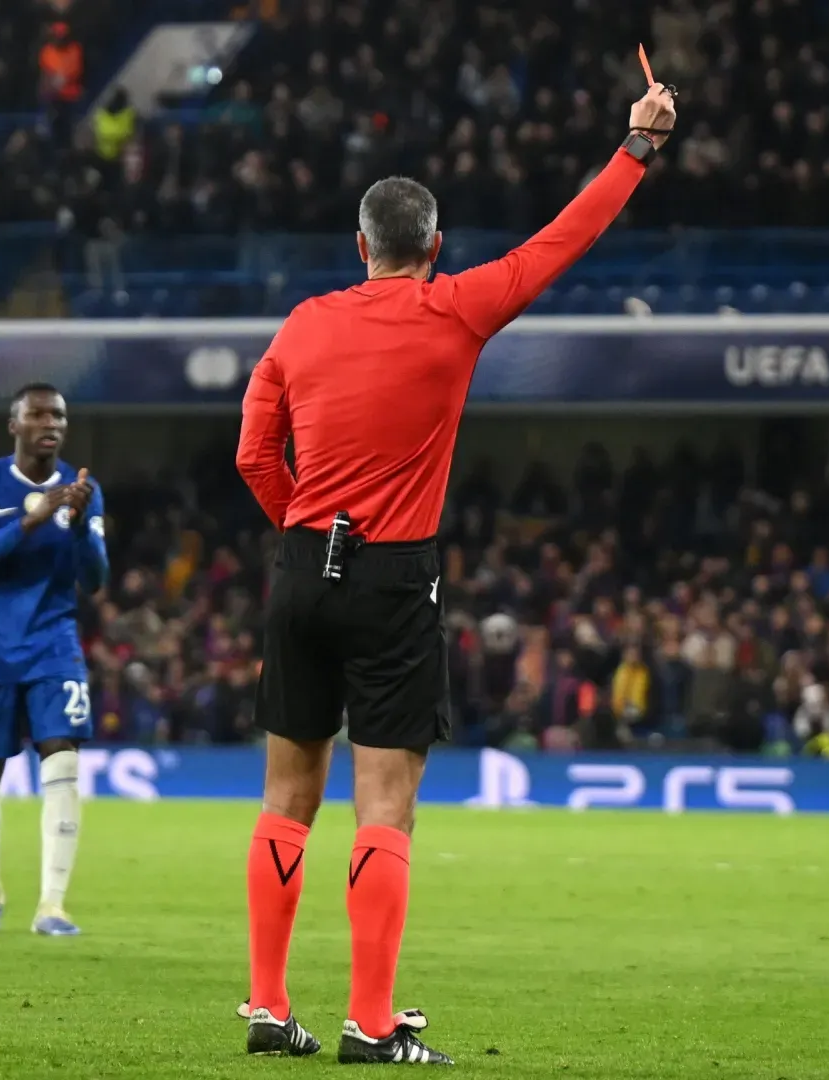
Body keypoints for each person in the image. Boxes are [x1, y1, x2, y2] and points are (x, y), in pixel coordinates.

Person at [232, 80, 676, 1064]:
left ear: (360, 246)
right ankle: (371, 1023)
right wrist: (636, 148)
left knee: (285, 796)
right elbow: (559, 244)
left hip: (302, 571)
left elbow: (254, 457)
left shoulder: (301, 326)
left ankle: (268, 1008)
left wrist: (304, 531)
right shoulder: (457, 310)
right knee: (383, 803)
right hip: (393, 585)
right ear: (434, 248)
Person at [0, 383, 108, 937]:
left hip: (54, 643)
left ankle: (52, 906)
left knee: (62, 757)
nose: (52, 422)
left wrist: (83, 529)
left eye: (60, 414)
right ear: (13, 425)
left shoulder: (84, 490)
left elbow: (96, 579)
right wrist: (33, 519)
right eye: (39, 413)